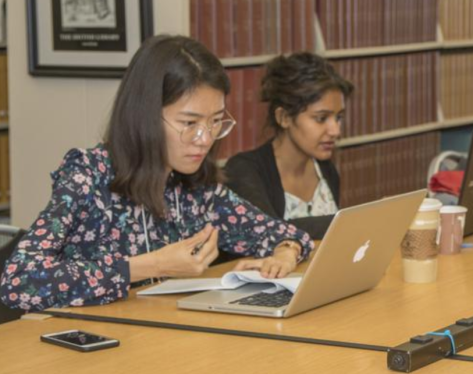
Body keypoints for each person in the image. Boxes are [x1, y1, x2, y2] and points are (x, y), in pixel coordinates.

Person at [0, 35, 313, 312]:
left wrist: (286, 252)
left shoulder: (196, 187)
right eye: (189, 123)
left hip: (160, 344)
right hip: (91, 353)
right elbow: (18, 280)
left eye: (216, 121)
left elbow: (280, 232)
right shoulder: (88, 175)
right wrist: (151, 265)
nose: (204, 139)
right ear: (146, 115)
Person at [225, 52, 354, 239]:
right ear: (284, 118)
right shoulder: (243, 170)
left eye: (338, 117)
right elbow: (268, 231)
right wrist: (353, 221)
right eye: (321, 118)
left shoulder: (325, 168)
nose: (335, 130)